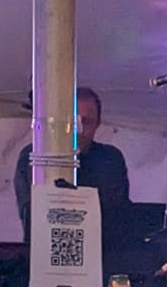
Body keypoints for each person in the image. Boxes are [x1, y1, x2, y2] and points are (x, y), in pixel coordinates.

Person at [12, 86, 130, 237]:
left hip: (103, 253)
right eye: (74, 121)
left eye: (86, 122)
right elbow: (32, 214)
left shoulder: (110, 159)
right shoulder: (34, 155)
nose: (78, 130)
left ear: (98, 123)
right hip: (45, 249)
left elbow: (118, 214)